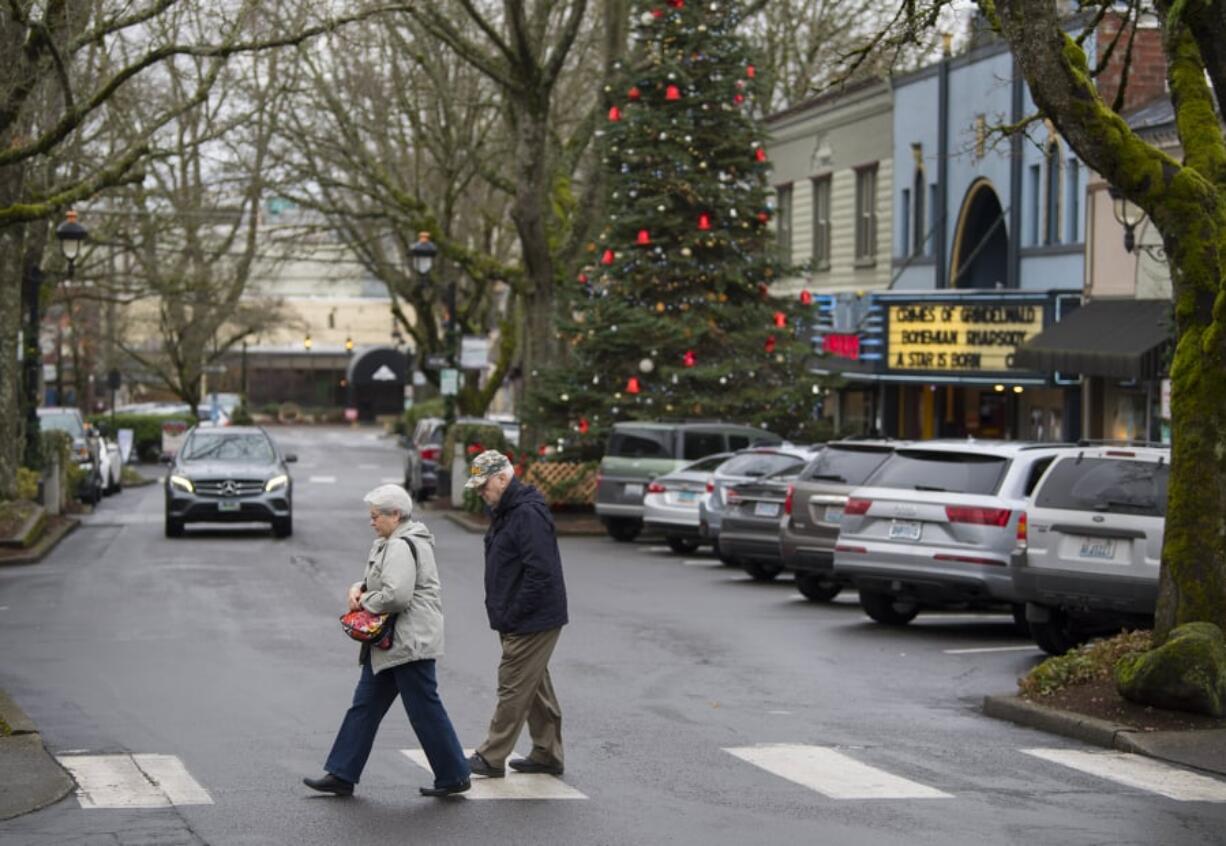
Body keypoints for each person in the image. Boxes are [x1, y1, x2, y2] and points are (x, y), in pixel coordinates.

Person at [304, 484, 471, 798]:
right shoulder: (389, 541)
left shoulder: (399, 545)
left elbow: (396, 595)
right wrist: (359, 587)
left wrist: (363, 602)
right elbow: (380, 581)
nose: (371, 521)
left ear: (395, 515)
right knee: (365, 707)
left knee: (422, 710)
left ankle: (454, 774)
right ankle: (341, 773)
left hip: (407, 642)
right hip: (391, 643)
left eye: (375, 516)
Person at [463, 450, 568, 778]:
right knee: (533, 684)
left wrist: (513, 612)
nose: (482, 493)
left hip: (530, 617)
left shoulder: (525, 514)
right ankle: (547, 753)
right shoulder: (509, 510)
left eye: (485, 486)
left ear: (503, 478)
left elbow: (541, 572)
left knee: (513, 682)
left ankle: (491, 756)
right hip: (522, 615)